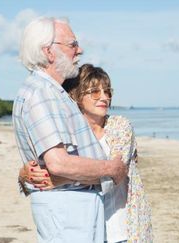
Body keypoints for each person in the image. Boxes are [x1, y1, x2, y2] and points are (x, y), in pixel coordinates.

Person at [13, 17, 128, 243]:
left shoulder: (53, 92)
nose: (79, 50)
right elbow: (59, 163)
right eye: (73, 44)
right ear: (49, 52)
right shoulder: (41, 93)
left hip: (75, 208)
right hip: (69, 209)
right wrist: (111, 168)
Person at [20, 64, 153, 242]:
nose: (104, 97)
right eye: (95, 92)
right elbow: (42, 173)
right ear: (76, 95)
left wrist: (58, 179)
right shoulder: (68, 132)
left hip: (120, 227)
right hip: (83, 226)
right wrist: (24, 176)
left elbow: (115, 173)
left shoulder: (120, 126)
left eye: (108, 91)